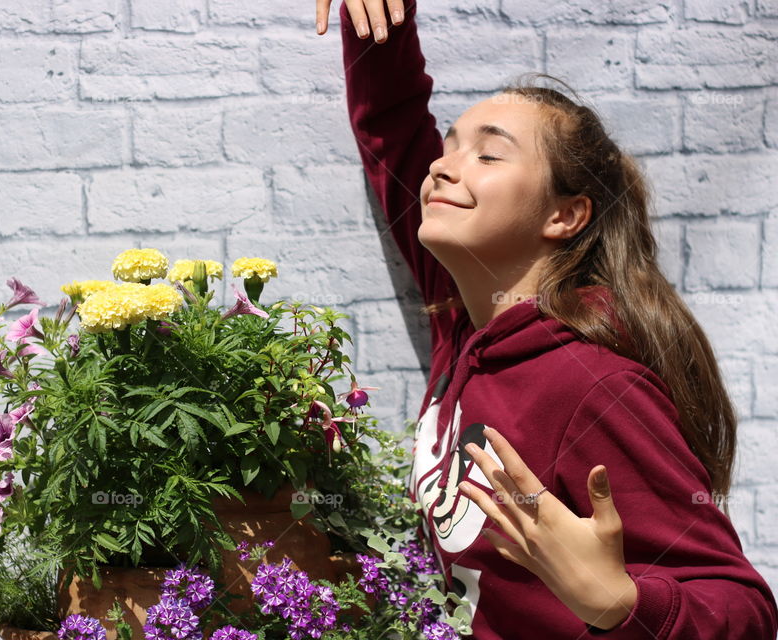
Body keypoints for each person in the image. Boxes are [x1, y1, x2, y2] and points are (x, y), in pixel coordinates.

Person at [313, 0, 778, 638]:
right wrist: (379, 22)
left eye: (489, 156)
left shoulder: (591, 386)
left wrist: (621, 604)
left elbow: (744, 609)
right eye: (448, 148)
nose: (442, 166)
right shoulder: (466, 322)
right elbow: (393, 135)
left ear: (565, 215)